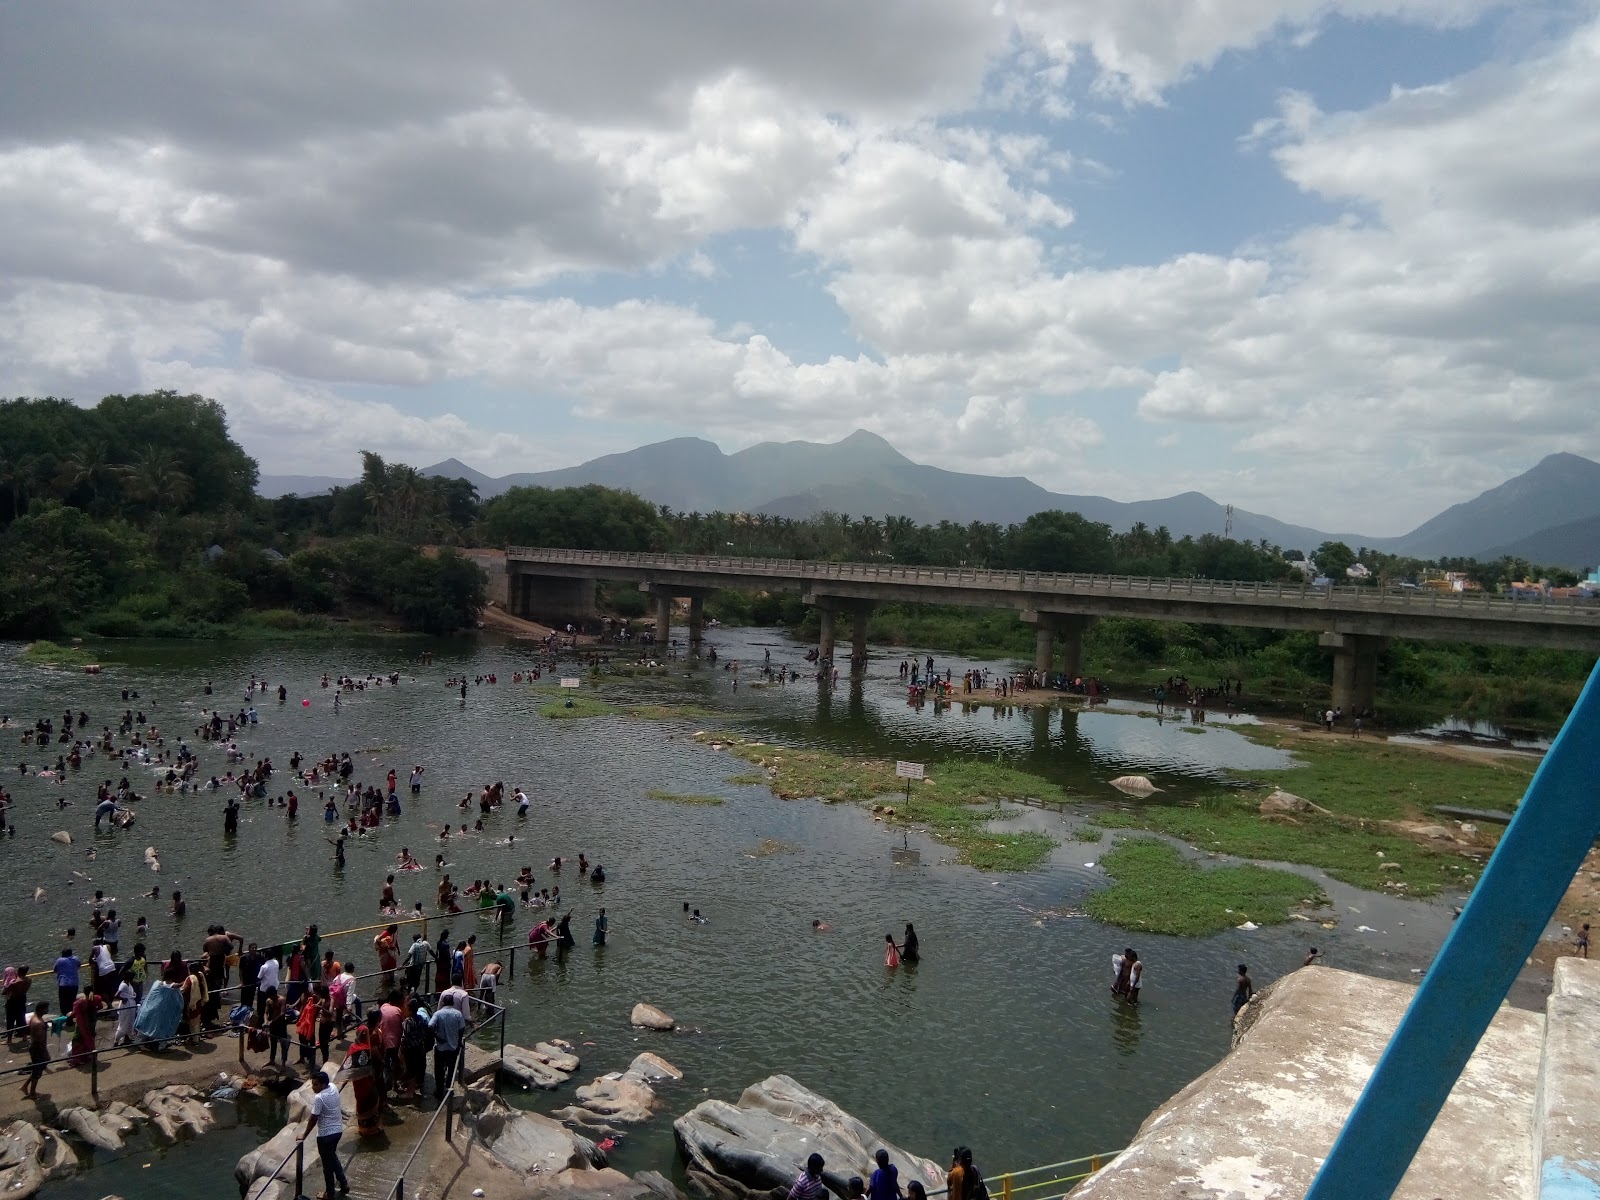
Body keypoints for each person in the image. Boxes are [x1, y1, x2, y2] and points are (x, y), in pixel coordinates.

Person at [297, 1069, 352, 1200]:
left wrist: (304, 1135)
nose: (313, 1087)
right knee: (332, 1158)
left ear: (322, 1085)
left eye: (316, 1084)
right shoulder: (332, 1087)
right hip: (337, 1131)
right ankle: (344, 1184)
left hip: (325, 1136)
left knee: (327, 1167)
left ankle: (330, 1194)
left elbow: (313, 1118)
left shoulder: (319, 1098)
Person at [344, 1016, 382, 1137]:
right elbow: (377, 1063)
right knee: (371, 1102)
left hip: (357, 1082)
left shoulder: (352, 1047)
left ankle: (362, 1128)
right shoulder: (368, 1049)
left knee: (360, 1102)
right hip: (368, 1081)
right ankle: (372, 1129)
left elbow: (348, 1064)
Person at [428, 997, 466, 1104]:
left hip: (440, 1047)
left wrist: (437, 1037)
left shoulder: (438, 1014)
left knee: (439, 1070)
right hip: (453, 1048)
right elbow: (462, 1028)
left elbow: (430, 1026)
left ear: (443, 1002)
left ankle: (439, 1092)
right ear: (453, 1003)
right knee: (451, 1070)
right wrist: (458, 1042)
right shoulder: (458, 1014)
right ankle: (449, 1090)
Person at [21, 1001, 51, 1099]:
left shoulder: (34, 1017)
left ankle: (25, 1086)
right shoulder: (38, 1023)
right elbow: (39, 1040)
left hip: (36, 1047)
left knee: (41, 1065)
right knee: (38, 1071)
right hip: (38, 1049)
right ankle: (32, 1092)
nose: (48, 1010)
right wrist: (43, 1050)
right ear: (41, 1009)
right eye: (46, 1008)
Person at [54, 947, 80, 1016]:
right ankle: (72, 1017)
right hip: (74, 984)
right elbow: (79, 965)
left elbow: (55, 969)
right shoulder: (75, 959)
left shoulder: (59, 960)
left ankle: (65, 1017)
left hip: (63, 984)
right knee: (72, 1002)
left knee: (63, 1003)